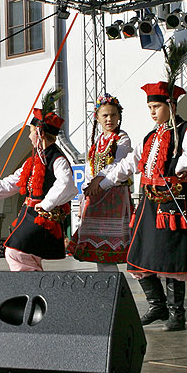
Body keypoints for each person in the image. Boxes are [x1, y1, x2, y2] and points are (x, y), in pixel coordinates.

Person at [84, 41, 187, 331]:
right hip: (150, 202)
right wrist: (103, 182)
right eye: (150, 107)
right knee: (137, 257)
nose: (152, 112)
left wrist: (181, 164)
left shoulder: (185, 130)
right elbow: (129, 164)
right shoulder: (149, 137)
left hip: (173, 204)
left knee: (173, 261)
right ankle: (157, 306)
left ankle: (176, 314)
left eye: (157, 107)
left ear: (171, 106)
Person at [0, 89, 78, 271]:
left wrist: (46, 204)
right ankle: (36, 292)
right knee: (26, 255)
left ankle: (32, 289)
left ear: (39, 133)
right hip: (29, 214)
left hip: (42, 217)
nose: (29, 136)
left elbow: (67, 185)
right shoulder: (32, 162)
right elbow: (10, 183)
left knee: (16, 251)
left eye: (31, 132)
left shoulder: (57, 159)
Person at [68, 93, 132, 270]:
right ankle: (106, 284)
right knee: (98, 250)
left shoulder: (122, 138)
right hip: (96, 196)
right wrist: (85, 194)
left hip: (114, 196)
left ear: (119, 117)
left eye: (113, 115)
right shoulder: (97, 141)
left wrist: (99, 180)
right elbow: (89, 169)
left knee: (109, 247)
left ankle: (112, 286)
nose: (109, 119)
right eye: (105, 115)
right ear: (97, 117)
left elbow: (119, 163)